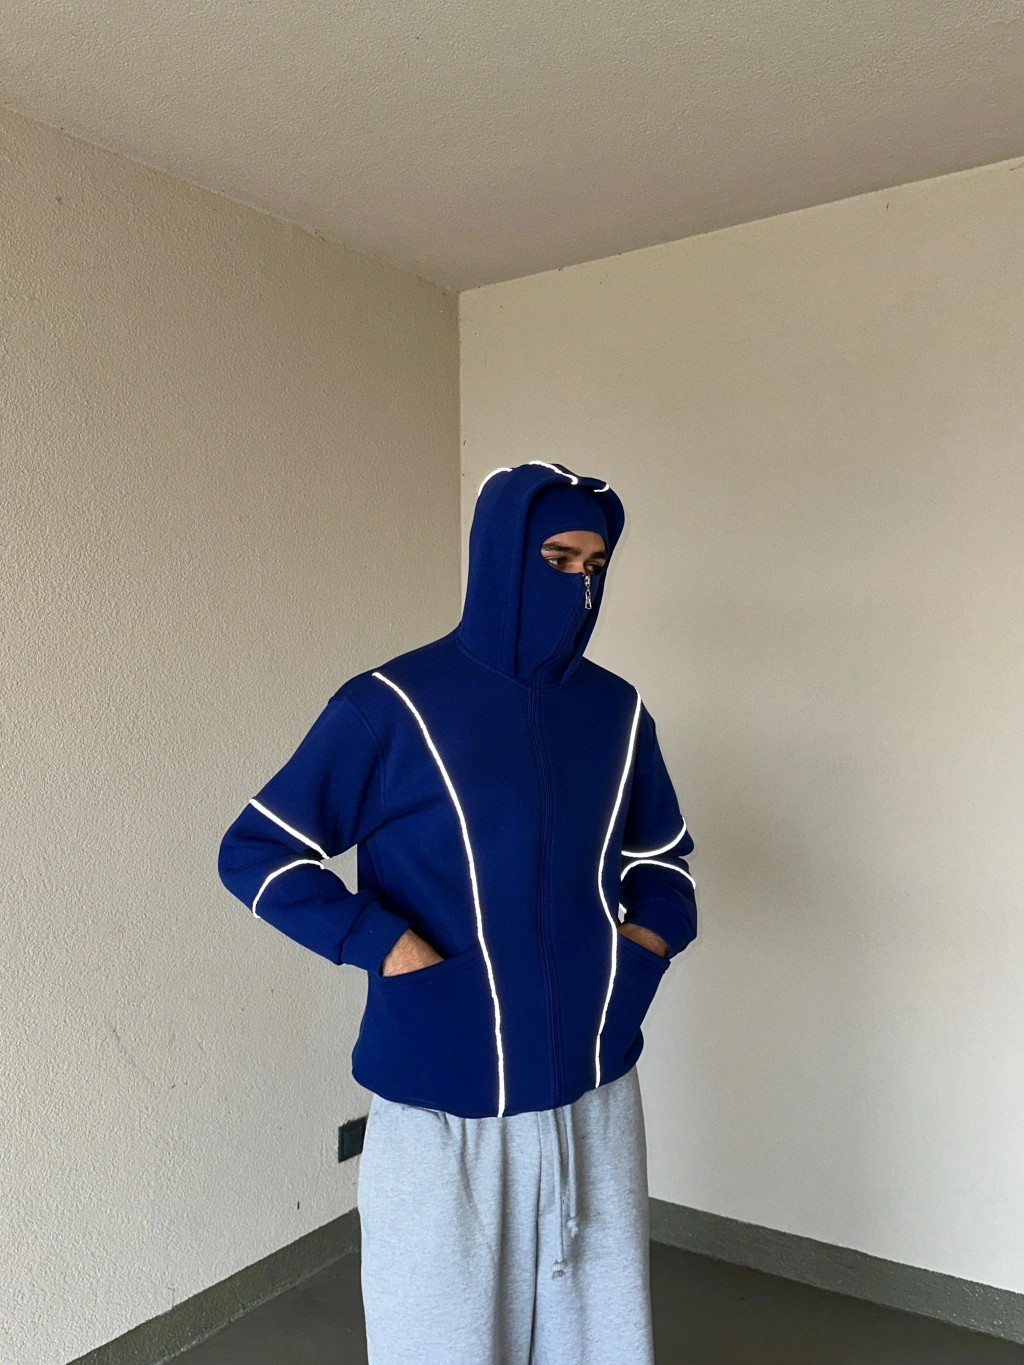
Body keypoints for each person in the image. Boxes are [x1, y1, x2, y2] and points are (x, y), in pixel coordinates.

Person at [218, 461, 697, 1364]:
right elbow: (256, 849)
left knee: (596, 1341)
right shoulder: (391, 706)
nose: (580, 584)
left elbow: (661, 859)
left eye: (596, 565)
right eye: (558, 558)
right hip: (444, 1095)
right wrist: (384, 943)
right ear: (502, 554)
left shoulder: (617, 711)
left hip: (593, 1089)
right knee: (440, 1344)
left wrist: (645, 943)